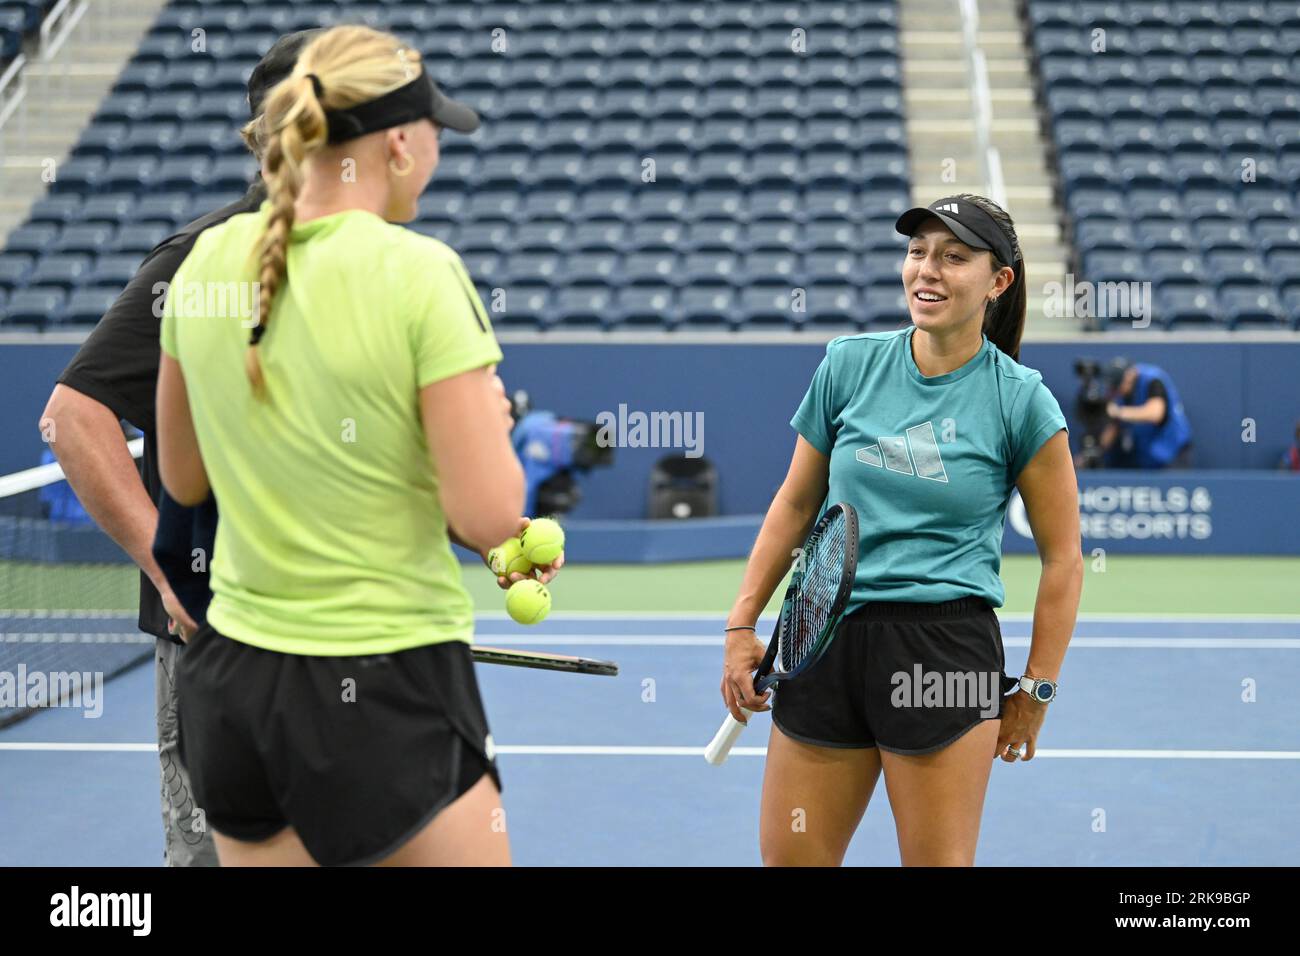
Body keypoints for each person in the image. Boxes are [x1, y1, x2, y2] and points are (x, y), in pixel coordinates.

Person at [153, 24, 545, 867]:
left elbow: (182, 478)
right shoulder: (420, 272)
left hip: (232, 690)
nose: (441, 143)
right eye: (435, 128)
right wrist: (485, 437)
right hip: (385, 684)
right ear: (399, 144)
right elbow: (488, 513)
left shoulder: (205, 263)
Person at [720, 194, 1083, 866]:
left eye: (954, 257)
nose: (927, 270)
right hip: (823, 640)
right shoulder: (848, 365)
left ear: (998, 281)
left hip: (944, 651)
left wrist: (1038, 686)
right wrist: (742, 624)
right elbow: (795, 505)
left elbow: (1064, 559)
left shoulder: (1021, 399)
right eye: (917, 252)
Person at [39, 30, 323, 867]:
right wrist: (171, 573)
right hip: (219, 654)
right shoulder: (201, 259)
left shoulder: (363, 270)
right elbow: (73, 415)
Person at [1096, 357, 1193, 469]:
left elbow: (1155, 413)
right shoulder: (1118, 394)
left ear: (1130, 375)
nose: (1118, 390)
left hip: (1173, 450)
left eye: (1120, 384)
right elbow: (1113, 428)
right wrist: (1097, 451)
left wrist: (1118, 412)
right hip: (1146, 456)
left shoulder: (1152, 379)